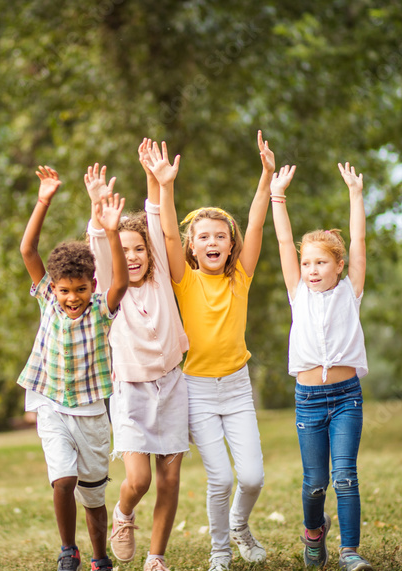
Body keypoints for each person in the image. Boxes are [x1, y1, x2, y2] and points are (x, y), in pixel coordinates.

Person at [144, 133, 273, 571]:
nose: (213, 241)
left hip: (236, 387)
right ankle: (220, 550)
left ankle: (239, 526)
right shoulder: (185, 278)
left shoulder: (241, 277)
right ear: (193, 245)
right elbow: (166, 230)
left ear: (230, 245)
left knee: (252, 478)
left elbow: (256, 223)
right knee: (219, 477)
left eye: (221, 235)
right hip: (196, 389)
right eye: (204, 236)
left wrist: (267, 176)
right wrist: (165, 185)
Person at [17, 166, 129, 571]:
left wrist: (112, 231)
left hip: (92, 414)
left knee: (94, 498)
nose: (71, 297)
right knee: (62, 479)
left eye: (80, 289)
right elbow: (28, 250)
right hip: (51, 404)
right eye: (65, 290)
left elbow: (119, 282)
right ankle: (69, 550)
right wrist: (44, 198)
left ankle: (100, 558)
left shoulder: (102, 308)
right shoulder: (47, 297)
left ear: (91, 284)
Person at [83, 148, 190, 571]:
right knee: (140, 480)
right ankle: (124, 514)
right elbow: (98, 241)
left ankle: (156, 556)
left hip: (172, 385)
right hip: (130, 389)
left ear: (149, 252)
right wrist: (97, 206)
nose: (132, 255)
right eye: (123, 249)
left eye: (138, 248)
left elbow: (155, 214)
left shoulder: (161, 271)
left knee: (169, 478)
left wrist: (158, 179)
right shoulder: (113, 288)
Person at [270, 162, 374, 571]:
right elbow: (282, 241)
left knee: (345, 476)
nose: (312, 270)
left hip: (347, 398)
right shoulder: (298, 294)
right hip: (309, 400)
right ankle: (314, 532)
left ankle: (350, 552)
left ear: (338, 266)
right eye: (307, 263)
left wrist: (355, 193)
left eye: (321, 263)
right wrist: (279, 195)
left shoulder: (352, 291)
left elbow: (359, 239)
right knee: (315, 484)